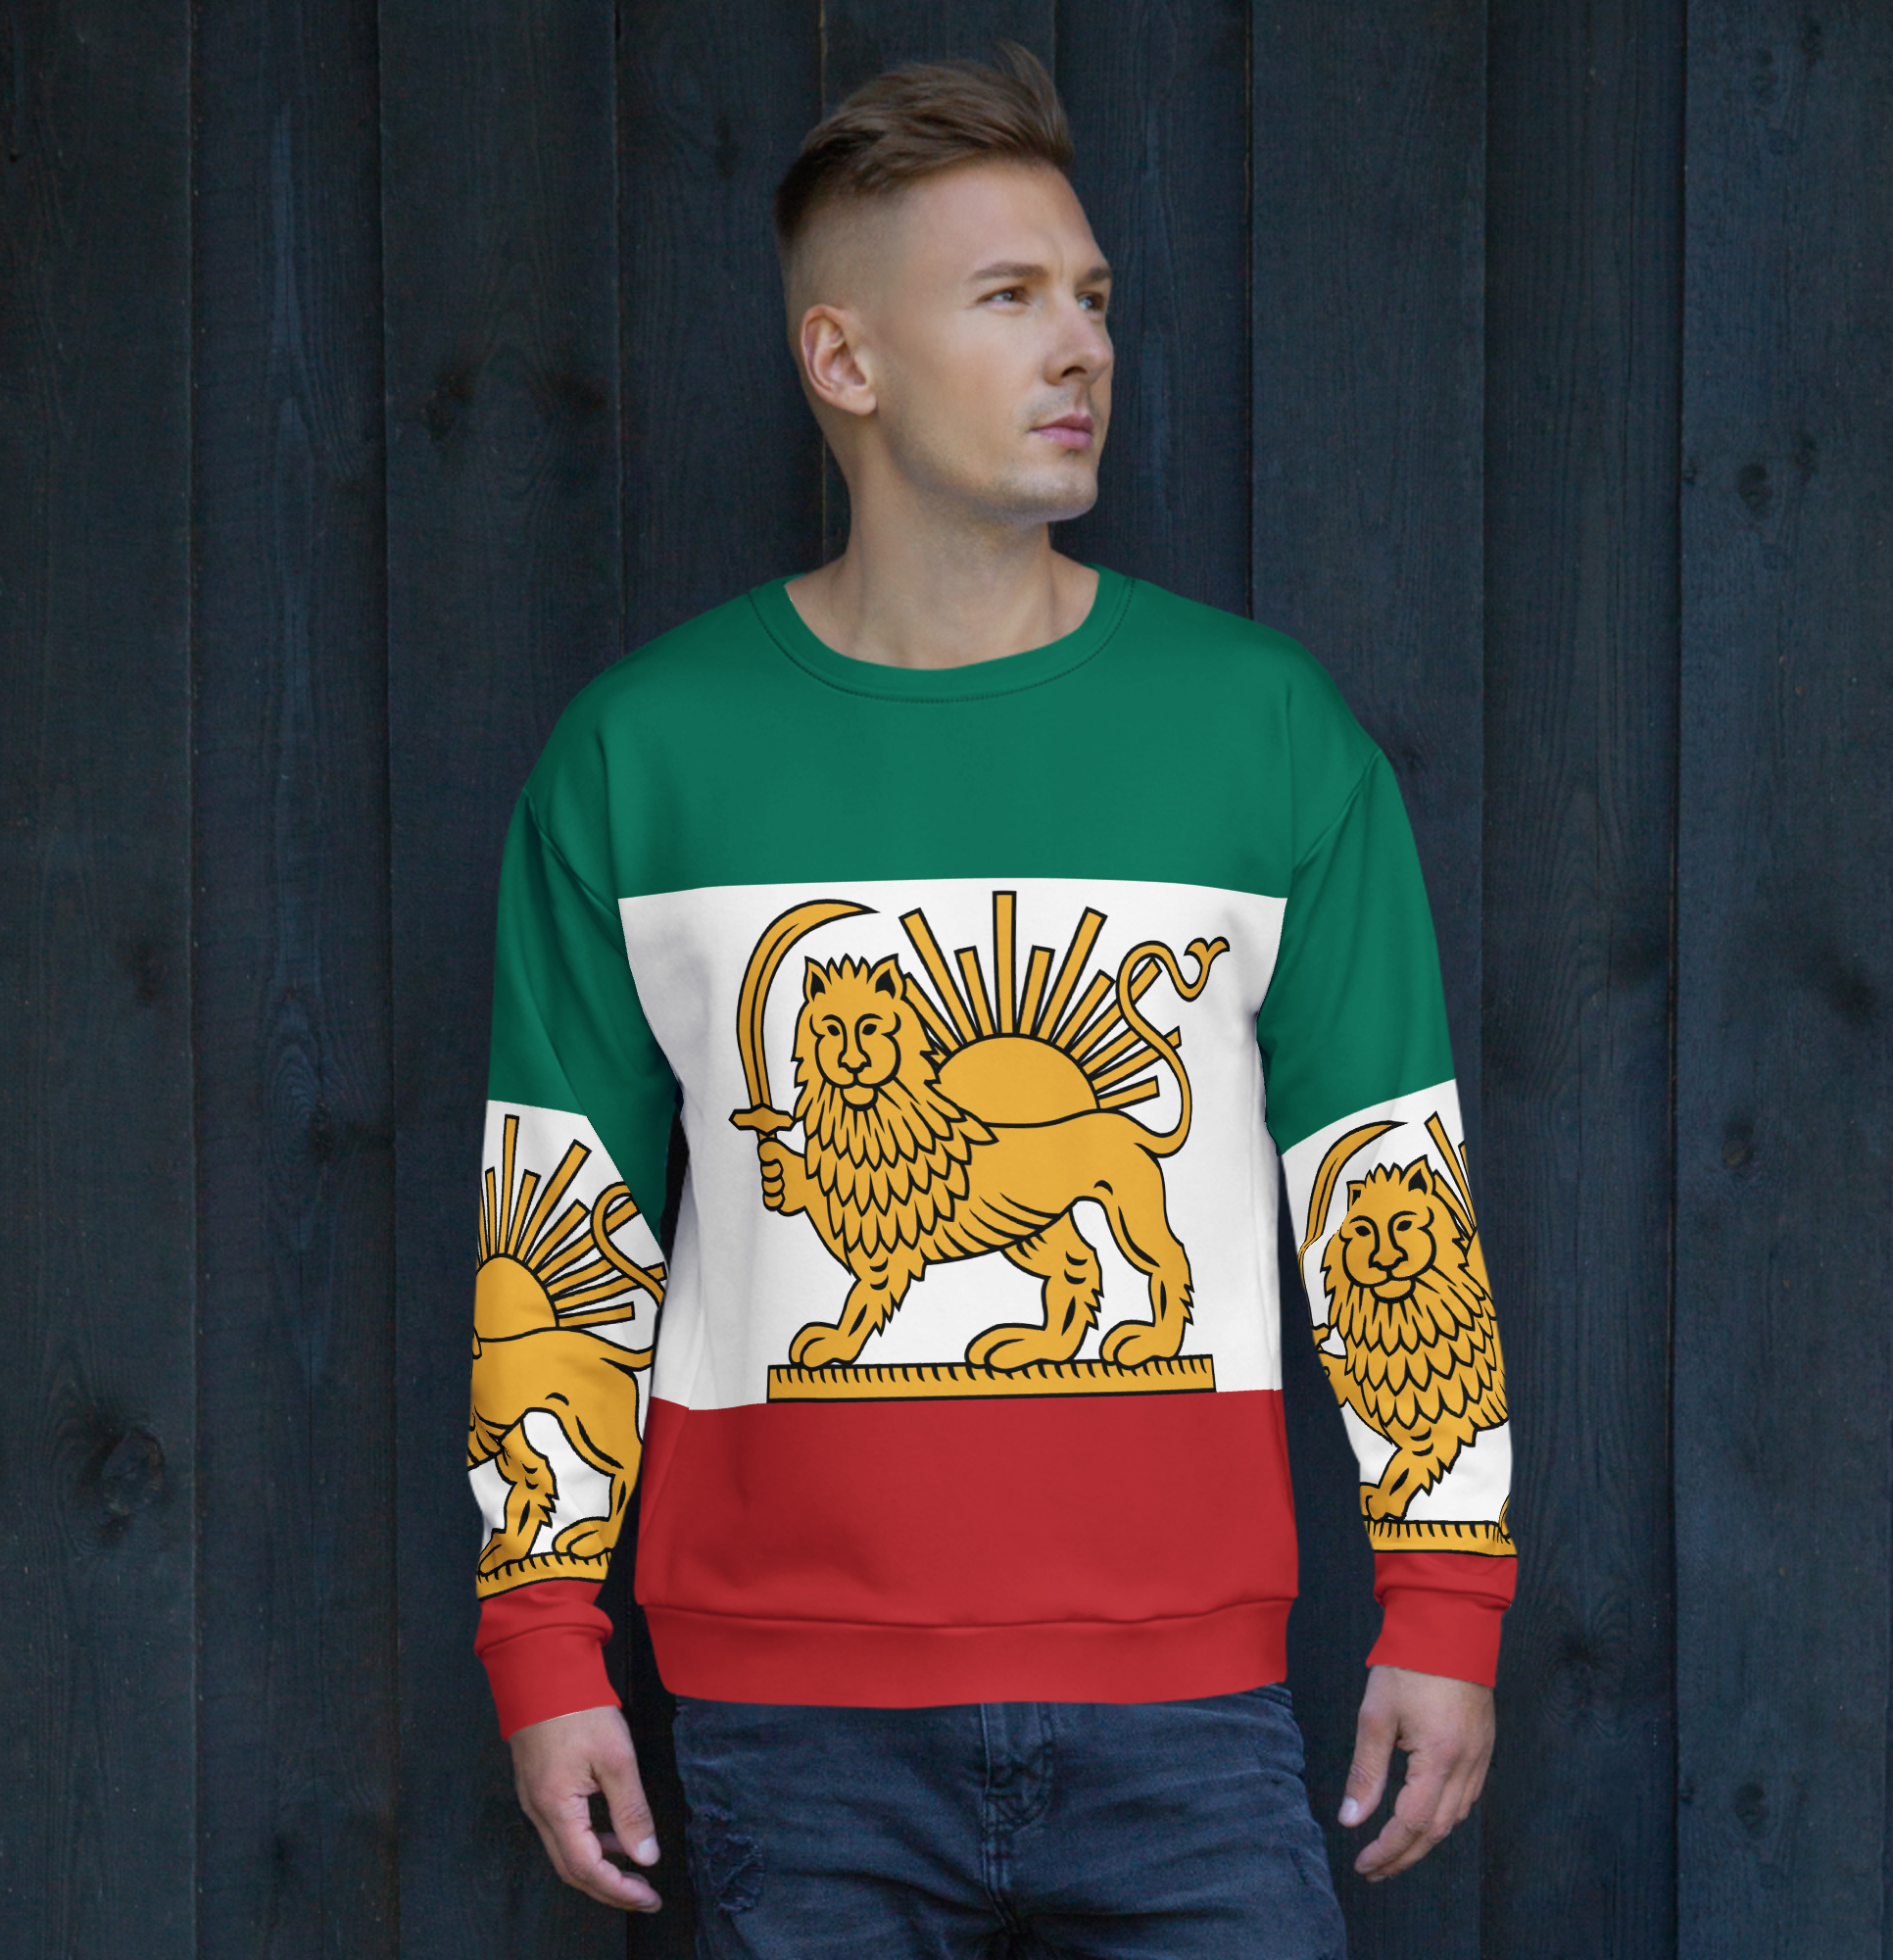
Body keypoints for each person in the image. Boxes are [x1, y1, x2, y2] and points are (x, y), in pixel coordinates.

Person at [463, 43, 1516, 1956]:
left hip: (1190, 1712)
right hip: (787, 1722)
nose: (1081, 345)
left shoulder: (1262, 733)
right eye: (1009, 296)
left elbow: (1389, 1182)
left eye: (1092, 296)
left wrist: (1444, 1602)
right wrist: (541, 1638)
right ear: (844, 358)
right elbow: (564, 1224)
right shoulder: (643, 757)